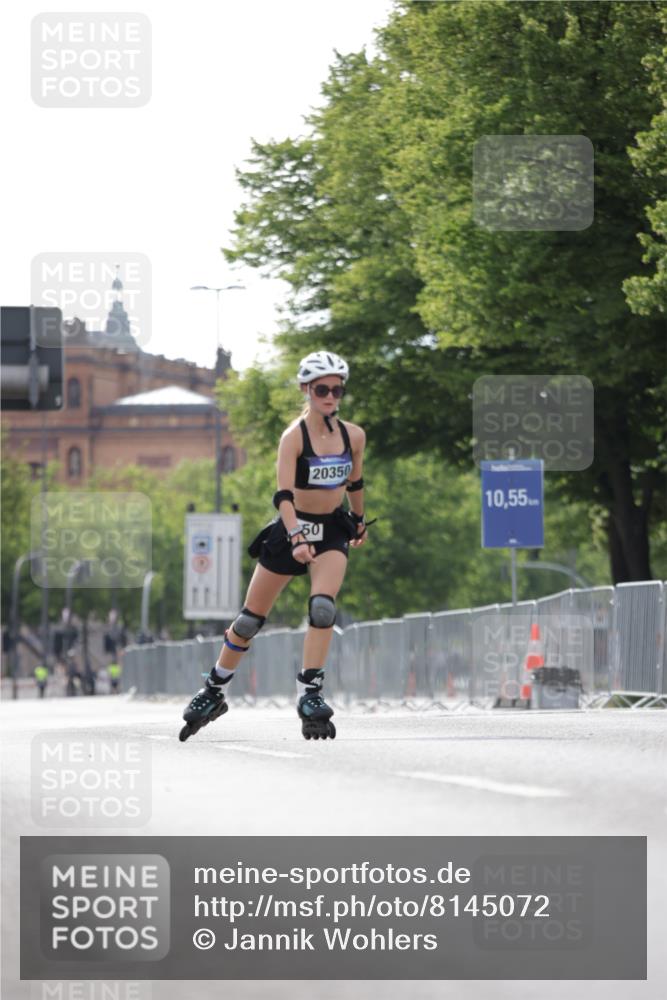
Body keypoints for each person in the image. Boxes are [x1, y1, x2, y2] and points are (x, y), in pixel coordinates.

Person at [179, 350, 375, 743]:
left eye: (337, 389)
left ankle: (310, 693)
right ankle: (214, 690)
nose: (331, 396)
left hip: (331, 529)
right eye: (322, 388)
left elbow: (355, 484)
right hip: (291, 528)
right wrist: (297, 537)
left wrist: (357, 519)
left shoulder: (353, 436)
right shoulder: (293, 438)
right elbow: (283, 495)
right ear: (306, 389)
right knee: (250, 620)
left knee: (323, 608)